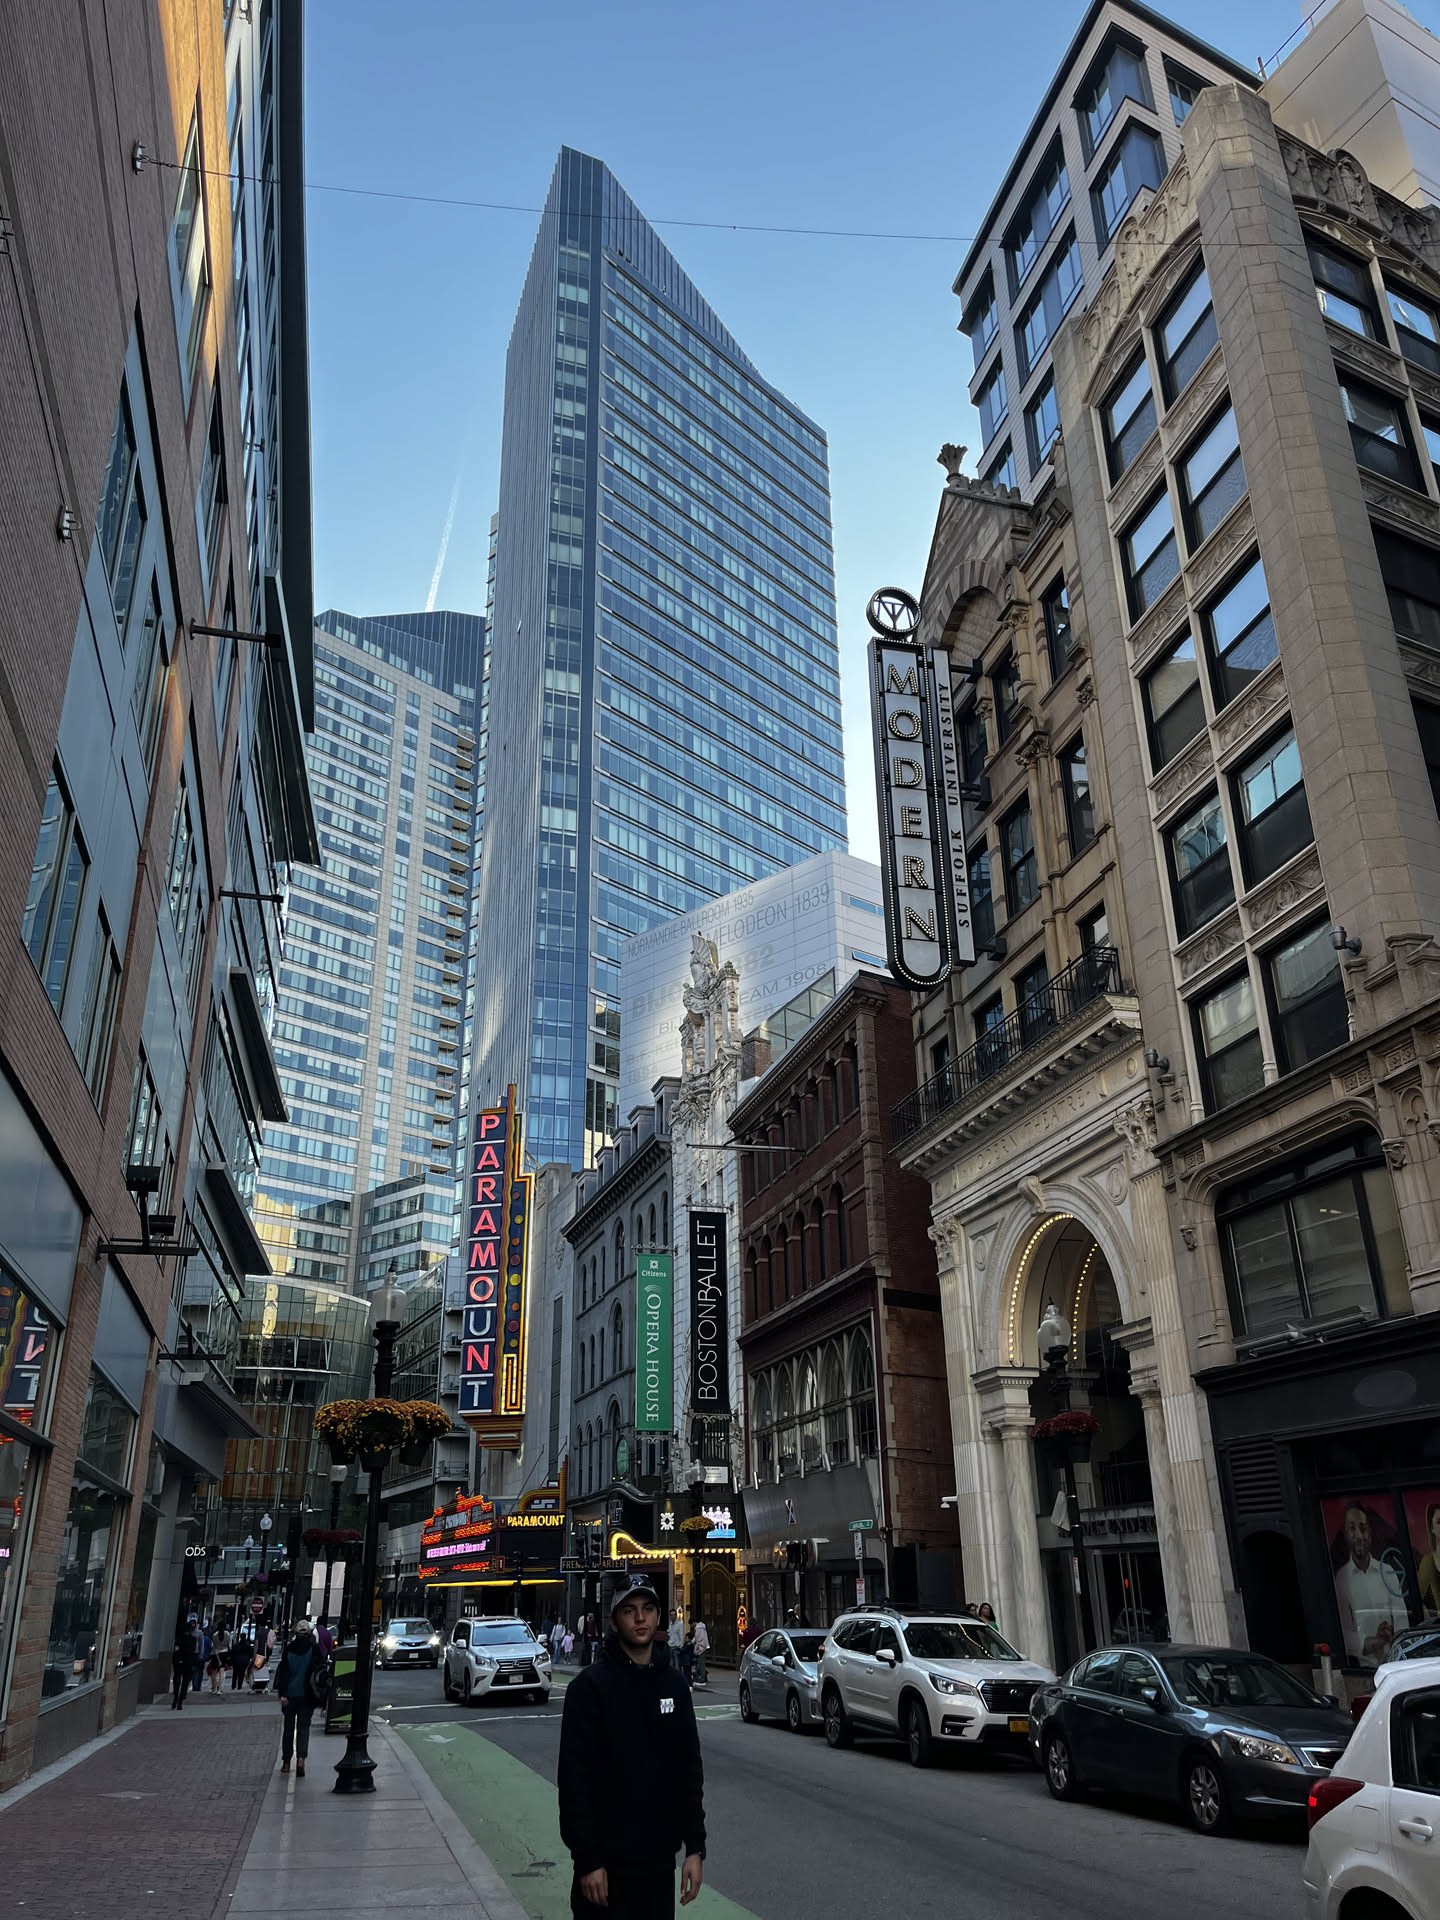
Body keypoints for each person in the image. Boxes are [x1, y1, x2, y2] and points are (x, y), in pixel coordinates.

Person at [558, 1575, 705, 1920]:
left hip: (658, 1865)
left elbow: (688, 1770)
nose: (640, 1618)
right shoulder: (588, 1688)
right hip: (605, 1870)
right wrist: (588, 1861)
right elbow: (574, 1781)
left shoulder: (674, 1685)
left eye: (648, 1609)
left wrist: (695, 1848)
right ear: (614, 1621)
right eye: (629, 1610)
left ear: (658, 1617)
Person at [1334, 1502, 1409, 1666]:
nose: (1359, 1535)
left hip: (1394, 1665)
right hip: (1361, 1671)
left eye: (1363, 1528)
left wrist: (1392, 1635)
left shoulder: (1387, 1571)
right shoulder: (1341, 1579)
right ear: (1345, 1534)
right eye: (1352, 1528)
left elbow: (1402, 1619)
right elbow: (1345, 1636)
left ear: (1370, 1532)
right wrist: (1377, 1641)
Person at [273, 1621, 325, 1776]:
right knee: (303, 1728)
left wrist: (282, 1694)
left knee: (289, 1729)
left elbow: (283, 1673)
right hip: (307, 1695)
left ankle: (286, 1762)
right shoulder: (313, 1649)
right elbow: (320, 1672)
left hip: (290, 1694)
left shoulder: (289, 1649)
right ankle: (301, 1759)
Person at [1417, 1501, 1440, 1618]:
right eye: (1439, 1522)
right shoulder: (1428, 1562)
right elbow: (1416, 1598)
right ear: (1432, 1528)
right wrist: (1428, 1617)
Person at [171, 1622, 197, 1711]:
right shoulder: (193, 1640)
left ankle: (176, 1697)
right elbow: (193, 1651)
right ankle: (180, 1701)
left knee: (177, 1680)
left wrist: (176, 1659)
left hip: (179, 1661)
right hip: (188, 1662)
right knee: (185, 1682)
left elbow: (176, 1650)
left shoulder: (179, 1638)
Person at [231, 1623, 252, 1691]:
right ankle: (239, 1686)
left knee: (235, 1673)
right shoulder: (247, 1645)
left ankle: (233, 1685)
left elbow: (233, 1653)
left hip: (236, 1661)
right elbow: (250, 1653)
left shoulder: (236, 1645)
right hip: (244, 1661)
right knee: (241, 1674)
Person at [691, 1618, 709, 1689]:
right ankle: (700, 1678)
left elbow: (698, 1640)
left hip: (701, 1648)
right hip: (703, 1647)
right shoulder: (702, 1627)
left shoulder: (698, 1629)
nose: (691, 1626)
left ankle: (701, 1679)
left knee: (701, 1664)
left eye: (691, 1624)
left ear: (693, 1623)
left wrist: (695, 1650)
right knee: (700, 1664)